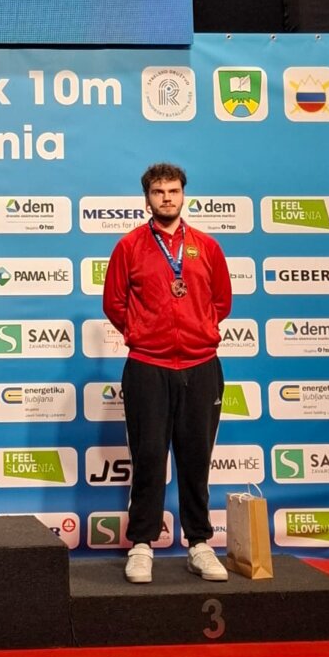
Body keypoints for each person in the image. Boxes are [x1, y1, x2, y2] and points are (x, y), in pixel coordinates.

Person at [102, 162, 232, 584]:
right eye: (159, 192)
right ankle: (141, 545)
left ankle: (199, 544)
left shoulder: (207, 246)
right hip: (148, 366)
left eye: (173, 191)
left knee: (196, 459)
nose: (167, 198)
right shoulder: (129, 246)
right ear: (147, 199)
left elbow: (221, 301)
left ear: (183, 195)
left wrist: (198, 330)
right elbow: (114, 303)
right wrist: (142, 333)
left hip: (200, 365)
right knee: (149, 458)